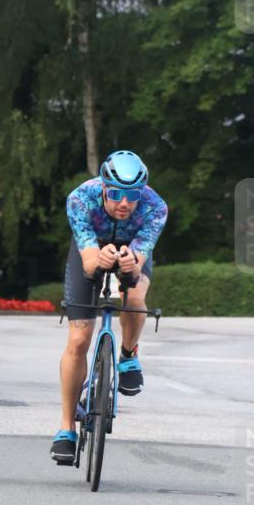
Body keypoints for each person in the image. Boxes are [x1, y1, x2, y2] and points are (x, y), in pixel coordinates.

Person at [50, 150, 168, 464]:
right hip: (90, 251)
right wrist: (97, 261)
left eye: (133, 196)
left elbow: (137, 266)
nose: (125, 203)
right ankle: (65, 429)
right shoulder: (81, 199)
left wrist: (130, 265)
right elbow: (89, 264)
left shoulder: (156, 207)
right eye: (116, 194)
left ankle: (128, 355)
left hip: (132, 252)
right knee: (78, 339)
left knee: (135, 297)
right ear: (103, 187)